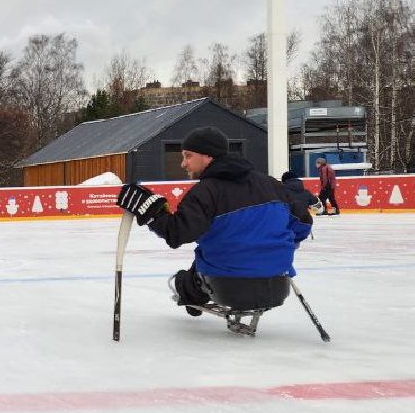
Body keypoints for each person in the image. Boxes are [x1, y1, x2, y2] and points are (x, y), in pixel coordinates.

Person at [114, 126, 311, 318]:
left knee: (189, 275)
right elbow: (302, 226)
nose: (183, 164)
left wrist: (151, 211)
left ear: (208, 156)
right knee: (220, 248)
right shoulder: (272, 185)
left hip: (227, 286)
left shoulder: (206, 192)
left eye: (188, 156)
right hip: (277, 285)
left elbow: (177, 233)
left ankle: (188, 290)